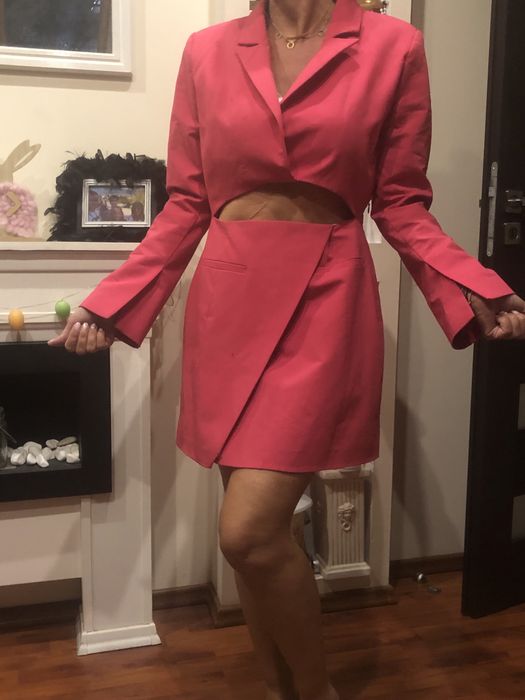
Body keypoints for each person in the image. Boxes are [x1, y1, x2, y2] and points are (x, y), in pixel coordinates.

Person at [48, 2, 525, 698]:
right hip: (229, 300)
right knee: (258, 547)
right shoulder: (206, 51)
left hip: (325, 299)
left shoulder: (393, 47)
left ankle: (317, 691)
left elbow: (400, 202)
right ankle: (278, 690)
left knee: (246, 532)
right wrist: (112, 301)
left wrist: (471, 285)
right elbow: (187, 203)